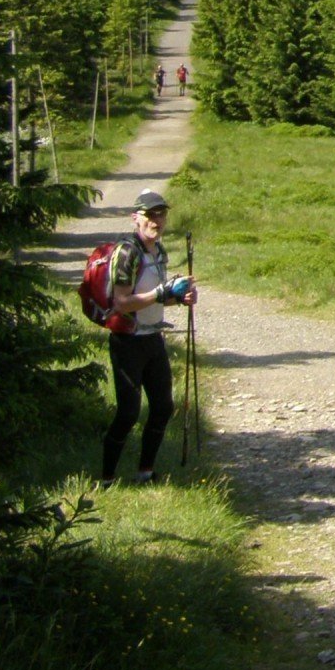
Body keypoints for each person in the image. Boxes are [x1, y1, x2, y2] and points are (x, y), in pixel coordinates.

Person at [100, 189, 197, 484]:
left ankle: (145, 472)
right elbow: (121, 302)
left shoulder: (159, 252)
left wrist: (179, 298)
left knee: (163, 407)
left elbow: (156, 299)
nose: (157, 220)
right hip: (127, 339)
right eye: (150, 215)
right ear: (136, 218)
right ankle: (106, 478)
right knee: (129, 412)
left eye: (161, 214)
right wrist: (161, 293)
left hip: (153, 339)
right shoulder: (127, 252)